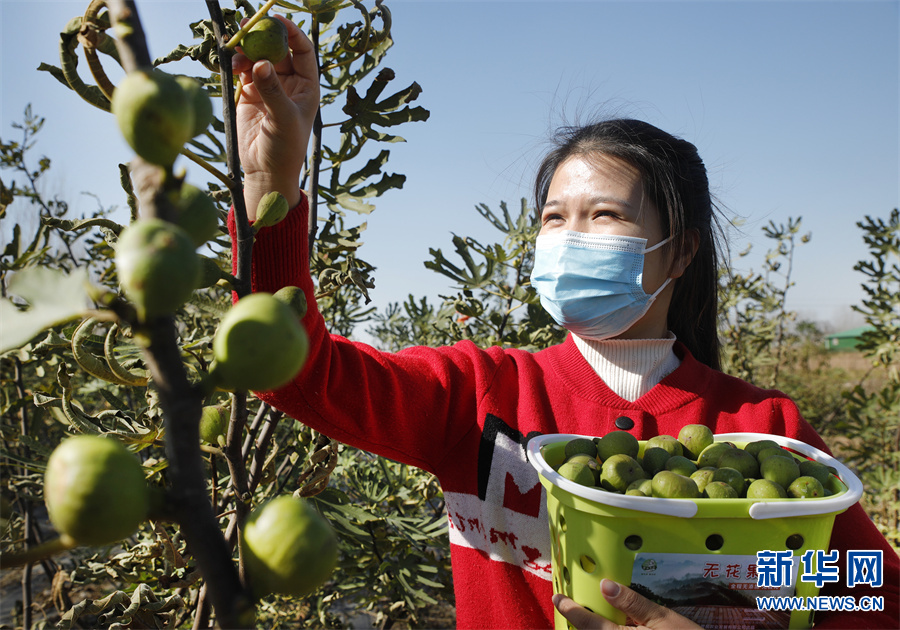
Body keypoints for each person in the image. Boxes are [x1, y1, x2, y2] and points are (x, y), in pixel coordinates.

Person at [229, 16, 899, 630]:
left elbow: (870, 592)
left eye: (603, 216)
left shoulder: (762, 430)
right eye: (554, 218)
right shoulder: (479, 397)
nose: (569, 236)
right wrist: (270, 189)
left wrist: (748, 611)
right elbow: (295, 369)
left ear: (683, 249)